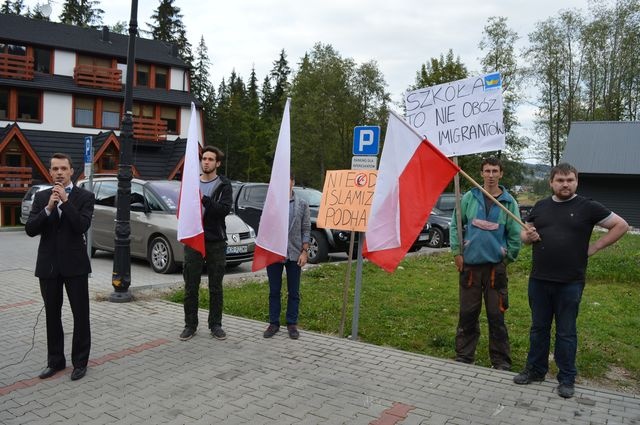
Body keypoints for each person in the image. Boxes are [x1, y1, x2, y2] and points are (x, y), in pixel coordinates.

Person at [514, 163, 628, 399]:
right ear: (551, 183)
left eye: (569, 180)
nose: (565, 184)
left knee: (566, 332)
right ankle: (535, 370)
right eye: (560, 180)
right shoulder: (541, 206)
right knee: (538, 328)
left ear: (576, 182)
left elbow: (621, 225)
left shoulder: (588, 207)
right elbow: (525, 234)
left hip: (570, 282)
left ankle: (566, 378)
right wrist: (528, 235)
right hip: (539, 279)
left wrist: (595, 247)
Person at [25, 153, 95, 381]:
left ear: (72, 171)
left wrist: (65, 201)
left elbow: (81, 226)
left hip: (75, 266)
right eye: (55, 169)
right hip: (49, 266)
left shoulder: (85, 196)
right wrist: (48, 208)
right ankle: (55, 361)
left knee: (80, 315)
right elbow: (31, 229)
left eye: (63, 168)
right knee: (52, 315)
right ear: (50, 171)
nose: (59, 173)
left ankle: (80, 362)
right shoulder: (42, 197)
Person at [450, 157, 522, 370]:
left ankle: (500, 361)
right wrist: (457, 252)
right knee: (468, 314)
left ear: (501, 174)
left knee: (496, 315)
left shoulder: (509, 203)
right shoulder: (469, 198)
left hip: (495, 270)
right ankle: (464, 356)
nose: (491, 175)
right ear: (481, 174)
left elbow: (515, 235)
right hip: (470, 268)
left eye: (495, 171)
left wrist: (506, 258)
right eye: (487, 171)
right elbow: (456, 225)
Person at [180, 146, 233, 341]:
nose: (206, 162)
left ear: (217, 163)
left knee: (215, 286)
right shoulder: (191, 184)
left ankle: (216, 325)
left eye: (211, 159)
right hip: (194, 239)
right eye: (204, 158)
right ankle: (190, 325)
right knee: (190, 285)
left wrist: (205, 200)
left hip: (215, 241)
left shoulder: (224, 185)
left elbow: (223, 210)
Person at [263, 175, 311, 340]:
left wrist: (305, 251)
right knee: (274, 290)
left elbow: (306, 228)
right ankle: (273, 323)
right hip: (275, 253)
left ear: (293, 182)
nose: (286, 182)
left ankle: (291, 323)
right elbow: (265, 226)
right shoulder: (272, 203)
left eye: (289, 179)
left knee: (294, 291)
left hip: (294, 253)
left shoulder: (302, 204)